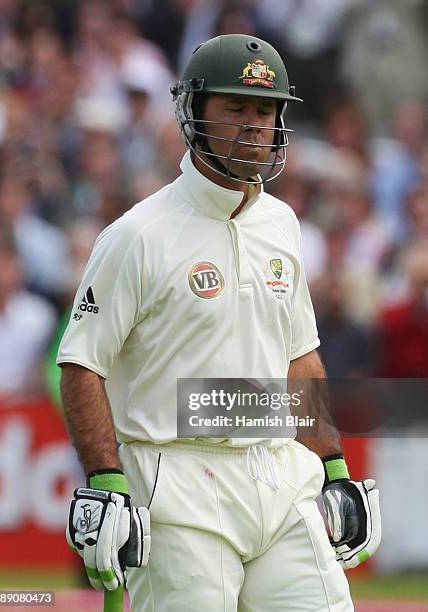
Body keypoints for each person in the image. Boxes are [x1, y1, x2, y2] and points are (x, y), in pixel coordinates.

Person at [57, 35, 381, 611]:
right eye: (235, 108)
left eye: (265, 110)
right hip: (175, 485)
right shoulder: (138, 236)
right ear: (194, 112)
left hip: (281, 476)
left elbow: (299, 356)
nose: (254, 125)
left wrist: (333, 466)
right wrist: (106, 480)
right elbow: (82, 364)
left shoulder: (282, 223)